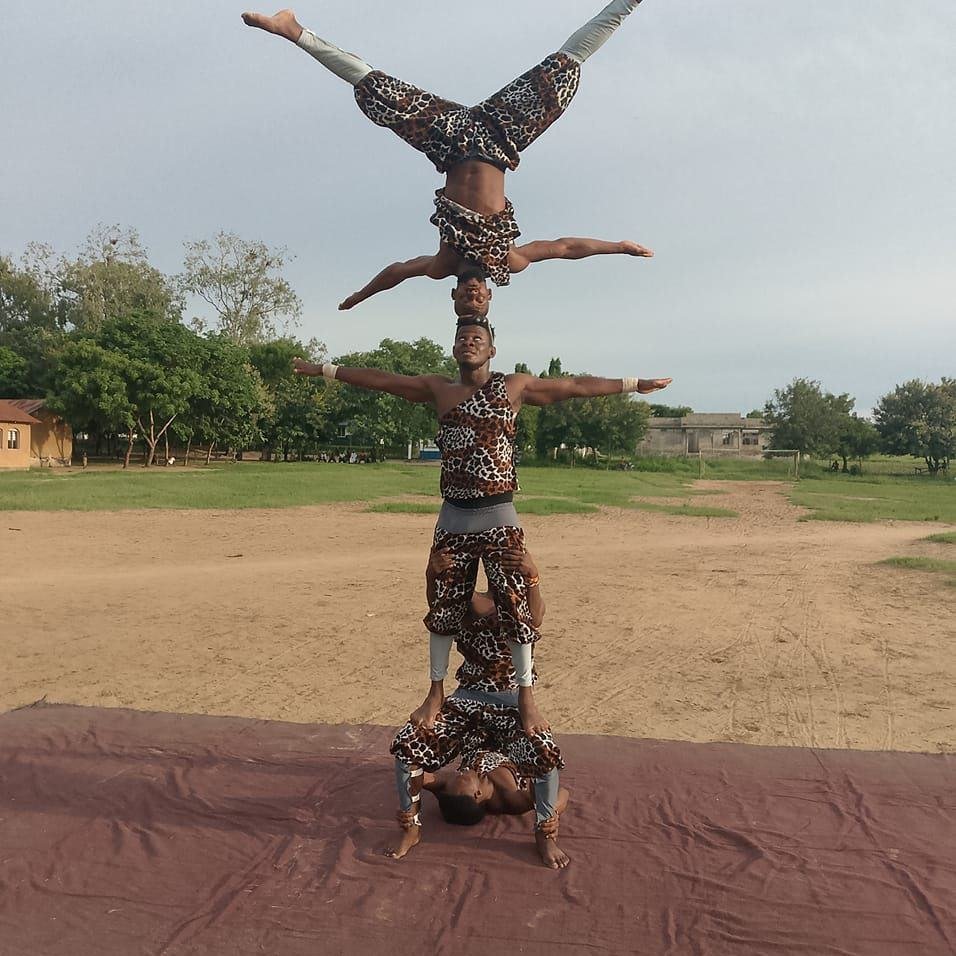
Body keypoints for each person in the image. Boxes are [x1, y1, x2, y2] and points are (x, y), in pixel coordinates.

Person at [293, 314, 671, 735]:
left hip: (498, 512)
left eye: (477, 338)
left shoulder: (514, 387)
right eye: (462, 338)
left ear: (492, 350)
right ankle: (435, 690)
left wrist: (634, 384)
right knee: (443, 603)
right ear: (454, 349)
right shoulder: (439, 389)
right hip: (453, 515)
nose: (468, 342)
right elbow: (382, 379)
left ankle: (527, 695)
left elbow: (574, 387)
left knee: (514, 603)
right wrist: (324, 370)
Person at [241, 2, 653, 308]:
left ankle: (294, 31)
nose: (472, 296)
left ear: (455, 293)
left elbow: (396, 273)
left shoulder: (442, 263)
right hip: (500, 138)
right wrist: (619, 246)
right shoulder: (509, 260)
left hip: (449, 143)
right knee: (563, 68)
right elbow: (565, 248)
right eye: (479, 300)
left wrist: (360, 295)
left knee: (377, 90)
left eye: (464, 300)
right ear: (488, 294)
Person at [386, 545, 571, 869]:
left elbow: (536, 618)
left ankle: (545, 838)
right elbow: (438, 612)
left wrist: (532, 575)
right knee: (409, 745)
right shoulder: (467, 601)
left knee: (544, 752)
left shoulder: (511, 599)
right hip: (471, 698)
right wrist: (433, 573)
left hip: (513, 700)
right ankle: (412, 830)